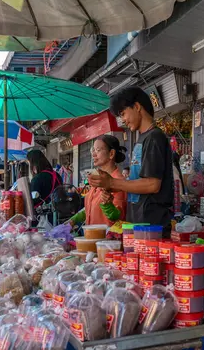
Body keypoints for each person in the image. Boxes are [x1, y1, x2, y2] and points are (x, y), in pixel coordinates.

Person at [88, 86, 174, 237]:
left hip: (152, 226)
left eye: (123, 114)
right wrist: (115, 189)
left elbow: (152, 184)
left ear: (137, 107)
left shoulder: (154, 138)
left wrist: (112, 183)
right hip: (138, 224)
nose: (122, 120)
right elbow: (139, 182)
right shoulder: (142, 139)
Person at [69, 135, 127, 226]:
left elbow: (117, 217)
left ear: (111, 153)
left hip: (108, 238)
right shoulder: (98, 179)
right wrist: (72, 221)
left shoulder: (118, 181)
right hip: (92, 237)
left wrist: (108, 205)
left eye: (98, 150)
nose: (93, 154)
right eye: (93, 150)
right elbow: (90, 208)